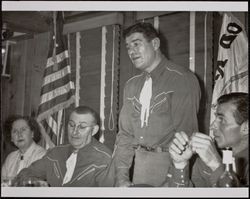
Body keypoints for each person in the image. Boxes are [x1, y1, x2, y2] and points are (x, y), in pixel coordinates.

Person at [113, 22, 201, 187]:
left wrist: (172, 181)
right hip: (137, 168)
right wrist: (121, 177)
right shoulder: (131, 85)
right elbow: (125, 136)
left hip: (169, 167)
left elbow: (186, 137)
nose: (131, 52)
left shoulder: (181, 79)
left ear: (155, 44)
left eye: (136, 44)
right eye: (128, 47)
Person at [13, 106, 115, 187]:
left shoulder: (103, 158)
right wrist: (38, 184)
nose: (75, 131)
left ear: (94, 130)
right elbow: (25, 174)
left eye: (82, 127)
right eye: (71, 125)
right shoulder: (56, 153)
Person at [169, 92, 249, 187]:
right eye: (216, 118)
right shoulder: (207, 156)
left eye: (221, 119)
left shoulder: (212, 158)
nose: (211, 126)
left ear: (246, 127)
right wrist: (180, 165)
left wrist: (216, 165)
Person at [1, 115, 46, 181]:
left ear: (32, 133)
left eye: (23, 129)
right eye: (15, 131)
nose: (19, 134)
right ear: (11, 138)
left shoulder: (42, 156)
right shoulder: (10, 158)